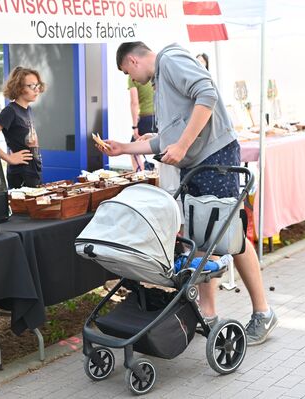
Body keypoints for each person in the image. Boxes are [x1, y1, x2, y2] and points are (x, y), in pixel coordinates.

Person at [100, 42, 277, 345]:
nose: (131, 80)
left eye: (128, 73)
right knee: (202, 237)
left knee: (227, 235)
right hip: (196, 164)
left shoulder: (170, 59)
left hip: (216, 156)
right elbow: (165, 143)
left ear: (132, 60)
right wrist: (124, 147)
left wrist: (182, 146)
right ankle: (208, 313)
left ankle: (263, 312)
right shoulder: (161, 84)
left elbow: (207, 94)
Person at [0, 66, 45, 189]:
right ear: (19, 88)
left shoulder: (28, 109)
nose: (36, 90)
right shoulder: (10, 111)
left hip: (33, 170)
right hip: (20, 174)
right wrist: (8, 158)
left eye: (37, 85)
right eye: (32, 86)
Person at [128, 77, 156, 171]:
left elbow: (134, 103)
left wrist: (135, 126)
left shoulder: (132, 77)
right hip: (159, 116)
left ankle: (140, 177)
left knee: (133, 149)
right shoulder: (154, 74)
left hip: (146, 117)